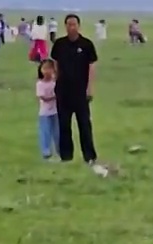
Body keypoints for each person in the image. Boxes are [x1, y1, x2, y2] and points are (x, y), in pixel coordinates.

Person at [50, 14, 98, 165]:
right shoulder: (59, 44)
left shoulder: (86, 45)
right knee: (64, 125)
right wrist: (55, 82)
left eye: (74, 24)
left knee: (84, 124)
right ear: (65, 26)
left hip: (81, 92)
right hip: (63, 91)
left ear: (79, 26)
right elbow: (55, 63)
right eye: (69, 24)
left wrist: (90, 88)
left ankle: (89, 156)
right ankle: (66, 156)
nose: (71, 27)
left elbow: (91, 66)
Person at [35, 58, 58, 160]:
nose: (47, 71)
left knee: (58, 133)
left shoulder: (55, 83)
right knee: (45, 132)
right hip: (44, 113)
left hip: (56, 112)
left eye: (50, 68)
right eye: (45, 68)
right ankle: (46, 150)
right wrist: (55, 97)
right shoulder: (40, 84)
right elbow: (43, 98)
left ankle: (60, 150)